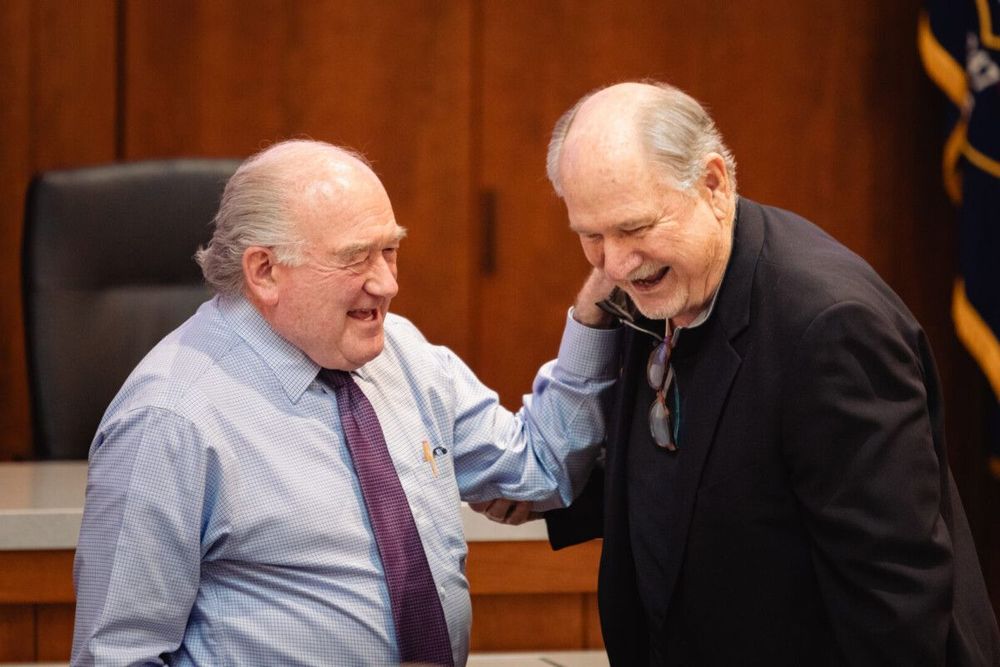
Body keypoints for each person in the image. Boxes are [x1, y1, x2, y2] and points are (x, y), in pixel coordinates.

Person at [484, 81, 1000, 665]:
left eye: (634, 228)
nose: (616, 263)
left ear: (713, 184)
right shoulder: (658, 282)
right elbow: (707, 455)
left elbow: (895, 598)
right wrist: (552, 488)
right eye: (591, 236)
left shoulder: (831, 328)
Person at [70, 139, 621, 666]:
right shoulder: (169, 420)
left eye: (390, 250)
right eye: (357, 259)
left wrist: (595, 314)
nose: (386, 284)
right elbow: (117, 657)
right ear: (264, 271)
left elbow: (537, 466)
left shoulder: (399, 350)